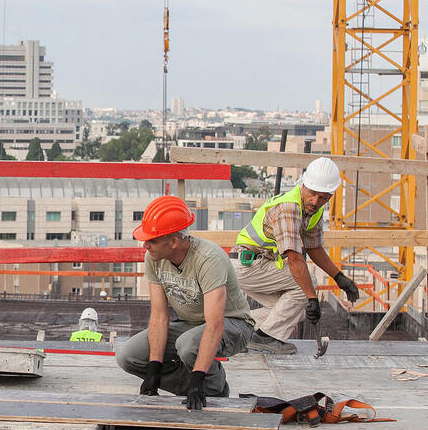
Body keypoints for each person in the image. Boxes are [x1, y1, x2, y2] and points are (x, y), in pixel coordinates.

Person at [116, 196, 255, 409]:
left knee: (188, 345)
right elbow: (160, 317)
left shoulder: (208, 259)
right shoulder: (154, 257)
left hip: (232, 324)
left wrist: (198, 375)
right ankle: (199, 387)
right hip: (192, 324)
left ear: (174, 241)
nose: (146, 245)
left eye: (152, 240)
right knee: (128, 356)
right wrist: (154, 368)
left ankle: (211, 385)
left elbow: (215, 325)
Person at [234, 157, 359, 355]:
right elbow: (295, 258)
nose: (315, 201)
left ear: (330, 196)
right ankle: (267, 338)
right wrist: (313, 298)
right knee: (305, 287)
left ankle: (233, 328)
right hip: (248, 265)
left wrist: (339, 277)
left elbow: (314, 248)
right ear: (303, 185)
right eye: (312, 194)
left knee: (292, 312)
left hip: (260, 266)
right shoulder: (289, 209)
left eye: (323, 197)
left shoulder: (312, 210)